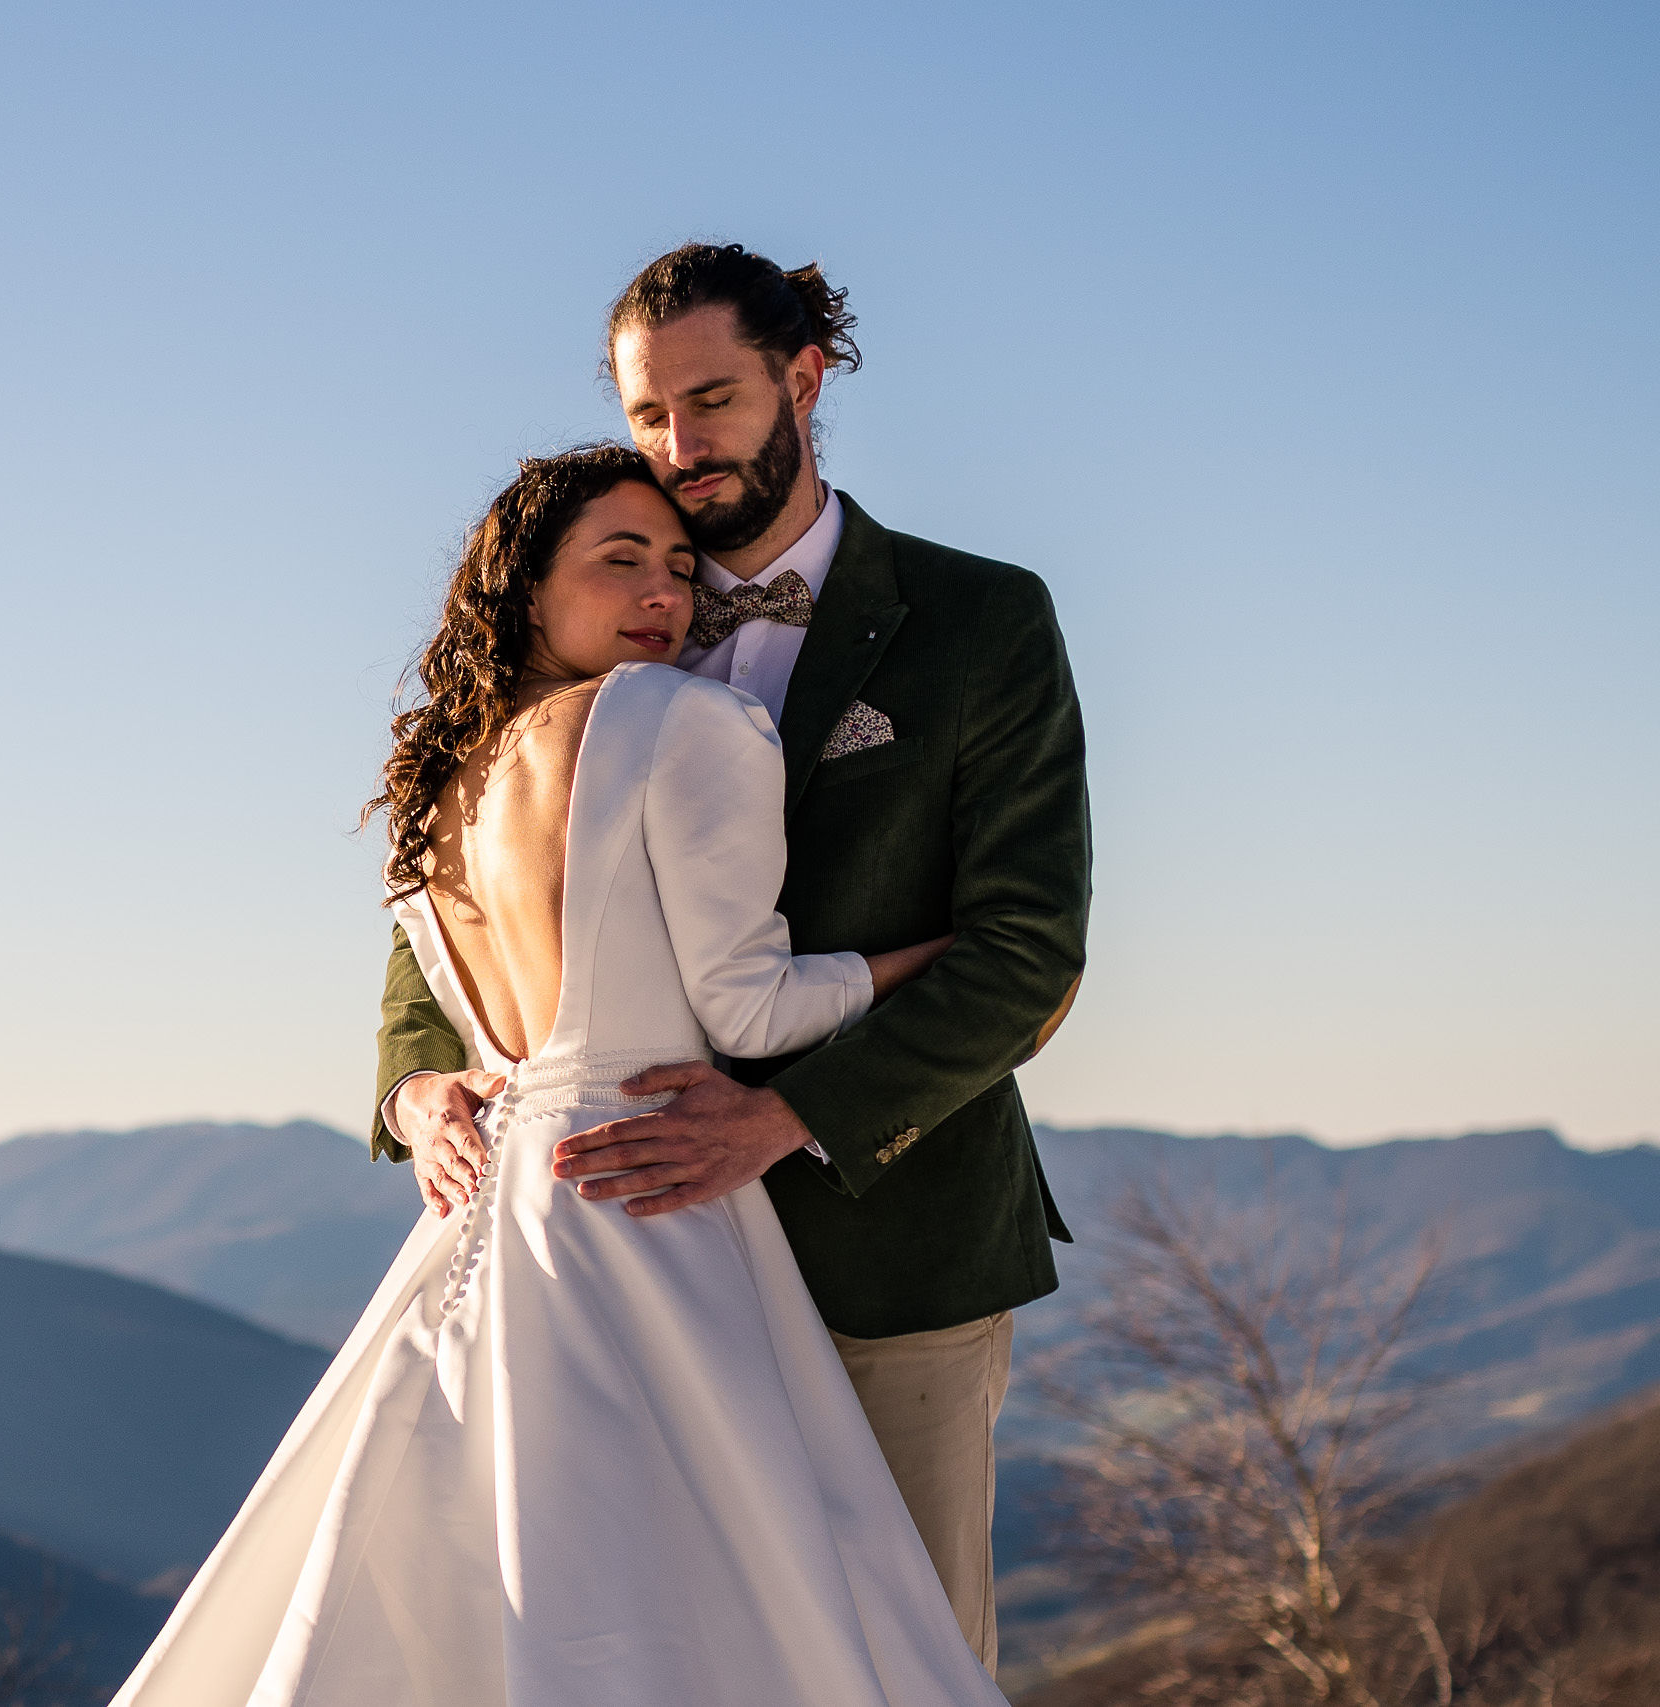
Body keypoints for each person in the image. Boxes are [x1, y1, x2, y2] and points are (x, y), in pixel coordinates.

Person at [111, 444, 1001, 1706]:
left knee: (487, 1581)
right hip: (645, 1188)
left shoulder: (436, 780)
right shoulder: (684, 716)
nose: (665, 596)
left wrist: (424, 1093)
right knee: (733, 1602)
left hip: (490, 1194)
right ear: (527, 587)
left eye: (680, 567)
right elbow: (747, 1007)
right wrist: (923, 957)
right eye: (621, 560)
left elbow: (467, 1024)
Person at [378, 244, 1092, 1671]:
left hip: (891, 1255)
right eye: (651, 415)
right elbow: (439, 902)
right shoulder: (598, 600)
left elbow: (1028, 953)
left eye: (711, 402)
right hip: (617, 1265)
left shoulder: (981, 621)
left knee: (901, 1661)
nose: (680, 449)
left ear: (804, 379)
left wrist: (784, 1117)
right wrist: (419, 1090)